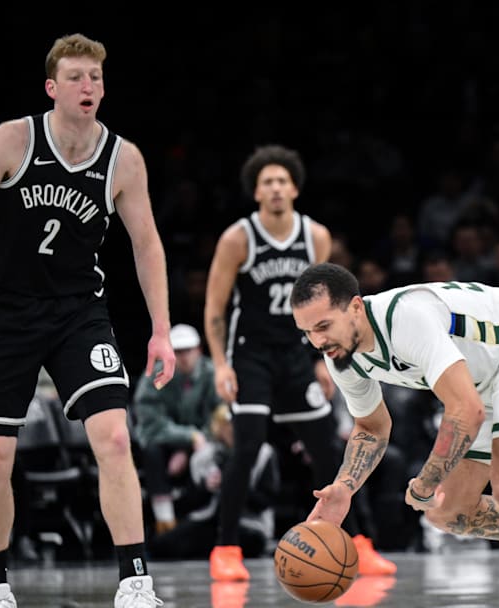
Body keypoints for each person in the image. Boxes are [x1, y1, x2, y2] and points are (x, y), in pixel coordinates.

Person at [0, 33, 173, 607]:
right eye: (75, 77)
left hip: (77, 311)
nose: (87, 86)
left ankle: (135, 583)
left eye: (95, 77)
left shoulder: (123, 159)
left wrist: (161, 329)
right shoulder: (14, 140)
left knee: (114, 437)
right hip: (4, 312)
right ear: (51, 87)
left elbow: (147, 245)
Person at [292, 263, 499, 608]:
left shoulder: (405, 319)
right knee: (448, 511)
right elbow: (371, 426)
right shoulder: (341, 357)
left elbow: (466, 412)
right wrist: (345, 487)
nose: (318, 341)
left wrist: (427, 481)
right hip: (480, 382)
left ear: (355, 307)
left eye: (323, 326)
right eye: (307, 332)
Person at [203, 145, 395, 580]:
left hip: (295, 353)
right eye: (266, 182)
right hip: (250, 354)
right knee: (248, 445)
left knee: (327, 448)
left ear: (294, 188)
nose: (275, 188)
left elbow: (323, 305)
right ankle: (226, 549)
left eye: (282, 181)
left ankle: (359, 543)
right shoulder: (238, 238)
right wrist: (220, 365)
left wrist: (321, 359)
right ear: (256, 191)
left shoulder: (315, 236)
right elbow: (215, 308)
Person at [149, 404, 280, 561]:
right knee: (161, 545)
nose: (232, 429)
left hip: (248, 523)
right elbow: (188, 501)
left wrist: (234, 487)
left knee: (251, 542)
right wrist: (206, 487)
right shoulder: (204, 455)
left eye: (235, 424)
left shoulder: (263, 453)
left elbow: (266, 500)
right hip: (208, 520)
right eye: (227, 425)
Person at [133, 323, 220, 534]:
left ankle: (199, 520)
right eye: (178, 351)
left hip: (202, 444)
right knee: (151, 451)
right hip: (164, 444)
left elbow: (219, 418)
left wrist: (188, 447)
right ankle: (164, 520)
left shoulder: (212, 374)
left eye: (188, 350)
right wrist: (188, 437)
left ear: (198, 350)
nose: (183, 357)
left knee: (211, 456)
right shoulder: (153, 377)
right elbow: (150, 422)